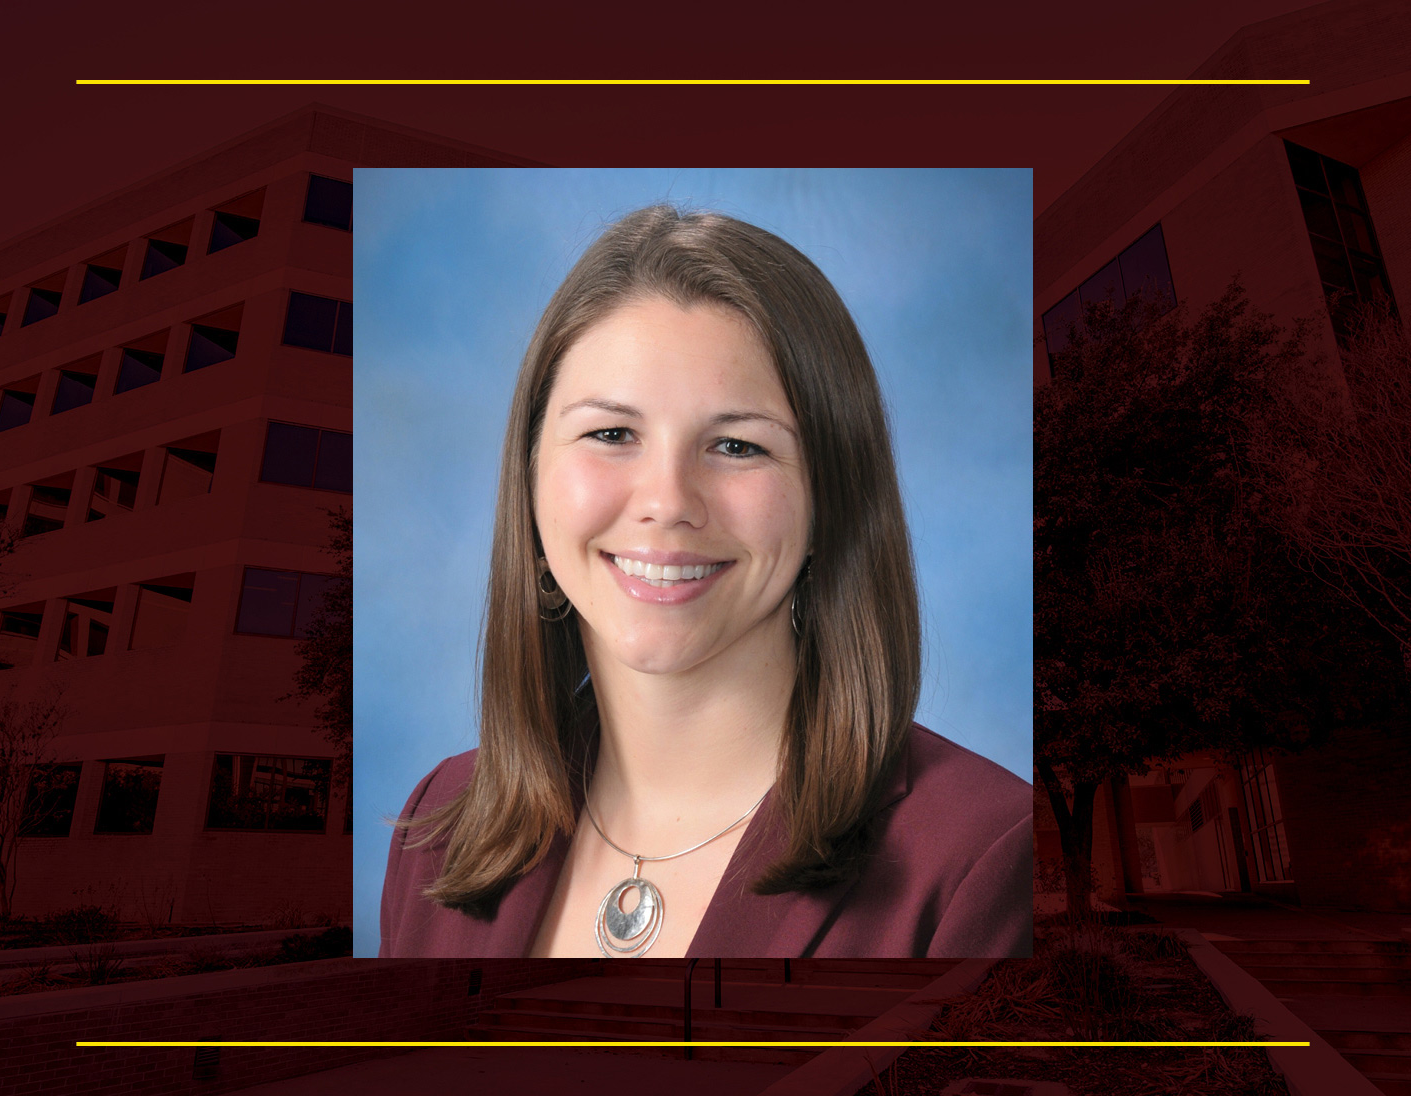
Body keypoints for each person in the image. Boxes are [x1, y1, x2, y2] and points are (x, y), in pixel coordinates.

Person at [378, 204, 1031, 958]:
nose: (667, 502)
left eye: (735, 444)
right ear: (529, 478)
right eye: (611, 434)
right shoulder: (437, 827)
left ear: (831, 496)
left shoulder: (980, 859)